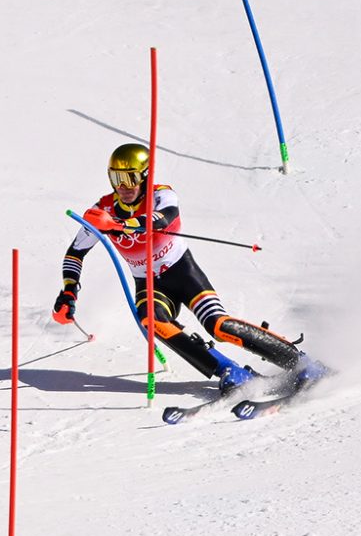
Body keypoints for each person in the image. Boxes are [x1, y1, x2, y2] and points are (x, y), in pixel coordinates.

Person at [53, 142, 323, 391]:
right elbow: (75, 252)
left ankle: (300, 361)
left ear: (145, 176)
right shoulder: (105, 209)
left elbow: (163, 218)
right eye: (116, 178)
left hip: (182, 272)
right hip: (148, 282)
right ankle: (229, 370)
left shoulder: (161, 194)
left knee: (218, 325)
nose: (122, 186)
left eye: (130, 178)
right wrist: (68, 292)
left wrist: (122, 225)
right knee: (152, 321)